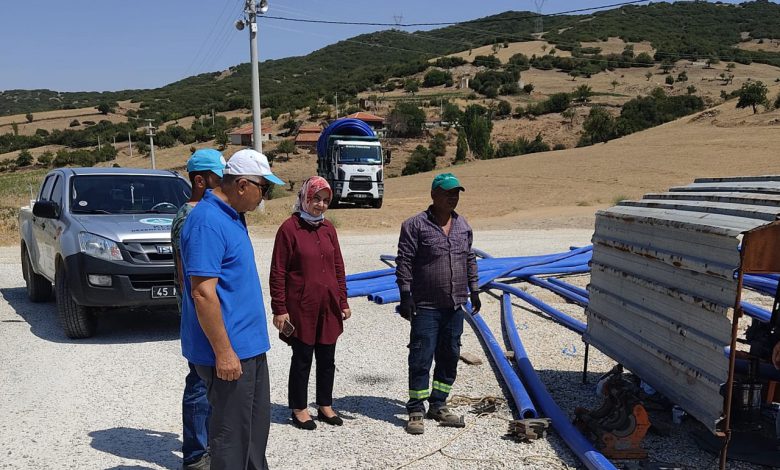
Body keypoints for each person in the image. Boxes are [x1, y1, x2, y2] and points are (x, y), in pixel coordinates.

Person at [179, 148, 284, 470]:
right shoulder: (206, 222)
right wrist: (224, 352)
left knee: (253, 432)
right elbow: (202, 293)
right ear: (241, 184)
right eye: (263, 188)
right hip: (228, 352)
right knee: (230, 440)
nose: (263, 197)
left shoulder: (232, 217)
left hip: (248, 347)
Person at [395, 173, 480, 435]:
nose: (453, 198)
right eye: (447, 193)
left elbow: (470, 259)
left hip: (455, 306)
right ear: (434, 195)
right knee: (421, 357)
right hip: (426, 307)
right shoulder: (415, 225)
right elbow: (405, 261)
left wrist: (474, 290)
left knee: (449, 355)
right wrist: (405, 295)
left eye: (456, 193)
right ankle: (416, 409)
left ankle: (439, 404)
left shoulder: (463, 225)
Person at [269, 176, 351, 430]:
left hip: (328, 305)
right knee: (302, 358)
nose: (321, 205)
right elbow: (278, 271)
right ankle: (299, 408)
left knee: (327, 357)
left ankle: (325, 404)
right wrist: (279, 308)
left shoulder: (328, 229)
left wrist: (343, 300)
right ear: (305, 197)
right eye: (316, 198)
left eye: (326, 200)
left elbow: (338, 266)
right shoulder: (289, 229)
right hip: (301, 306)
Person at [172, 148, 226, 470]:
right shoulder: (189, 216)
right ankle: (195, 455)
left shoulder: (208, 212)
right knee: (198, 382)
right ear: (200, 181)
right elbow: (186, 275)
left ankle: (210, 444)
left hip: (211, 309)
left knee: (212, 382)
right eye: (221, 180)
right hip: (198, 311)